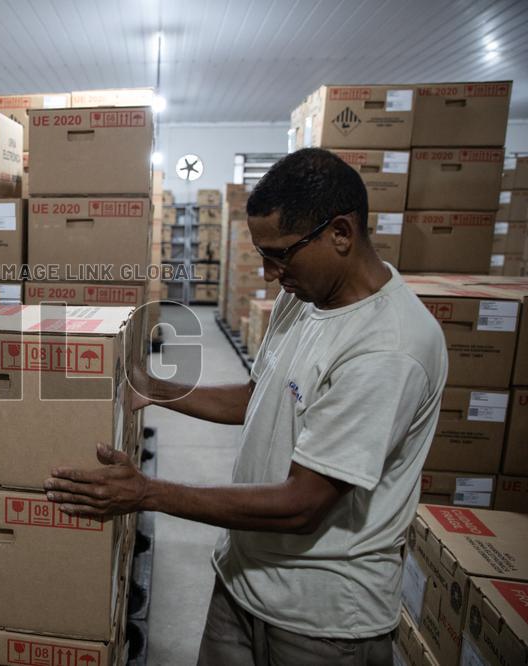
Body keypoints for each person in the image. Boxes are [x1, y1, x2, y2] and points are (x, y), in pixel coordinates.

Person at [43, 148, 447, 665]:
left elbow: (303, 504)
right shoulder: (302, 297)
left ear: (341, 233)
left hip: (320, 622)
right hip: (243, 580)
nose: (267, 273)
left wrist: (145, 492)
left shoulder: (388, 348)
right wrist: (157, 389)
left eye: (280, 254)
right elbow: (260, 399)